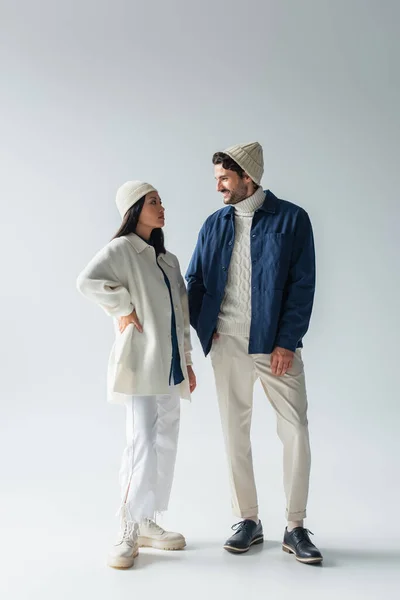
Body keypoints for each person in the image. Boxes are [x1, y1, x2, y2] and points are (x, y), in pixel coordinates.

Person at [186, 142, 322, 564]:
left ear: (248, 176)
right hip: (227, 345)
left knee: (295, 430)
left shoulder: (292, 219)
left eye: (225, 179)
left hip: (274, 345)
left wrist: (286, 340)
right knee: (234, 431)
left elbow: (303, 285)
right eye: (216, 180)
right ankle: (248, 520)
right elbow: (196, 279)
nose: (219, 187)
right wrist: (207, 330)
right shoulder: (214, 224)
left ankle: (295, 526)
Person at [77, 180, 196, 569]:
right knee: (141, 441)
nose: (161, 208)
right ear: (133, 209)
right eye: (152, 202)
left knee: (165, 442)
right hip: (142, 364)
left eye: (162, 201)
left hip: (171, 366)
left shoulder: (168, 260)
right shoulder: (123, 249)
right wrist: (122, 306)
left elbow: (182, 315)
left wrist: (189, 361)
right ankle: (127, 525)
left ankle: (148, 520)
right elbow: (88, 281)